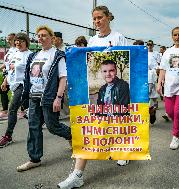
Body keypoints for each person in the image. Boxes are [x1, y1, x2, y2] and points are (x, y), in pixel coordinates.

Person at [57, 5, 129, 189]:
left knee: (117, 125)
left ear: (108, 18)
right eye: (94, 19)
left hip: (118, 93)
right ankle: (77, 174)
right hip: (97, 91)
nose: (97, 21)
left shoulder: (118, 37)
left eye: (100, 17)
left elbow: (127, 59)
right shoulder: (92, 39)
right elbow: (88, 64)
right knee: (92, 130)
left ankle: (122, 152)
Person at [16, 25, 71, 172]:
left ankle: (72, 135)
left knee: (53, 126)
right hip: (34, 96)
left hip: (48, 97)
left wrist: (58, 98)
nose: (41, 38)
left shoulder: (57, 55)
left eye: (44, 35)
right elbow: (29, 77)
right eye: (39, 35)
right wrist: (25, 96)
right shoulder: (33, 56)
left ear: (52, 38)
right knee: (33, 127)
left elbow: (63, 77)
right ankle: (34, 159)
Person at [0, 33, 32, 148]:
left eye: (21, 41)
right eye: (16, 41)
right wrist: (5, 81)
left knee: (12, 109)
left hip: (23, 85)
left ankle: (8, 136)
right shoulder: (14, 53)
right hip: (13, 85)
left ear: (26, 42)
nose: (18, 43)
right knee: (29, 108)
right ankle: (37, 116)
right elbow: (10, 70)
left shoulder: (30, 55)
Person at [0, 33, 17, 121]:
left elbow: (13, 64)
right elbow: (7, 63)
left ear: (15, 39)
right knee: (5, 90)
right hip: (7, 73)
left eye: (10, 39)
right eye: (7, 39)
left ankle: (6, 111)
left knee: (5, 89)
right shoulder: (10, 50)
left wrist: (6, 78)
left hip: (12, 74)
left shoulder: (17, 50)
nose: (8, 41)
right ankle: (7, 110)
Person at [147, 40, 161, 124]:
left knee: (152, 91)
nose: (149, 46)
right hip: (145, 73)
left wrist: (157, 71)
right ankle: (151, 108)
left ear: (153, 45)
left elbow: (159, 63)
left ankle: (154, 106)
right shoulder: (144, 53)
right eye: (148, 44)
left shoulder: (156, 53)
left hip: (153, 73)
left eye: (150, 44)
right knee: (147, 93)